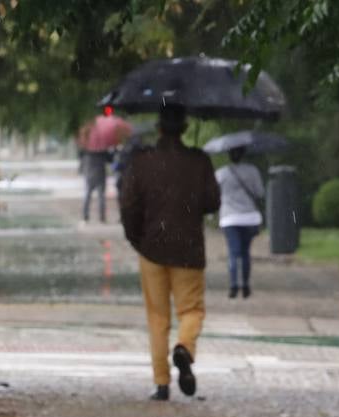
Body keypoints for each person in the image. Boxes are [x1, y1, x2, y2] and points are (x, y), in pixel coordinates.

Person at [119, 104, 220, 401]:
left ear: (159, 128)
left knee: (157, 317)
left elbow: (128, 206)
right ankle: (185, 347)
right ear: (186, 128)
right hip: (188, 248)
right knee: (191, 310)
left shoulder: (142, 162)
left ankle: (161, 383)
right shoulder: (199, 161)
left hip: (151, 248)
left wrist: (137, 238)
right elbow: (213, 202)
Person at [215, 146, 265, 298]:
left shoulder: (221, 173)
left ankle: (233, 285)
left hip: (229, 218)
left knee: (233, 252)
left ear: (229, 155)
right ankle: (245, 285)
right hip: (249, 218)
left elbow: (213, 194)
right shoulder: (253, 171)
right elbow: (260, 193)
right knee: (245, 253)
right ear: (244, 154)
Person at [81, 149, 110, 223]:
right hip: (100, 176)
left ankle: (85, 216)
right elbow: (110, 159)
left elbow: (82, 164)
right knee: (101, 197)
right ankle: (102, 217)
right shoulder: (103, 151)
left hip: (89, 176)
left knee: (87, 196)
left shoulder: (87, 151)